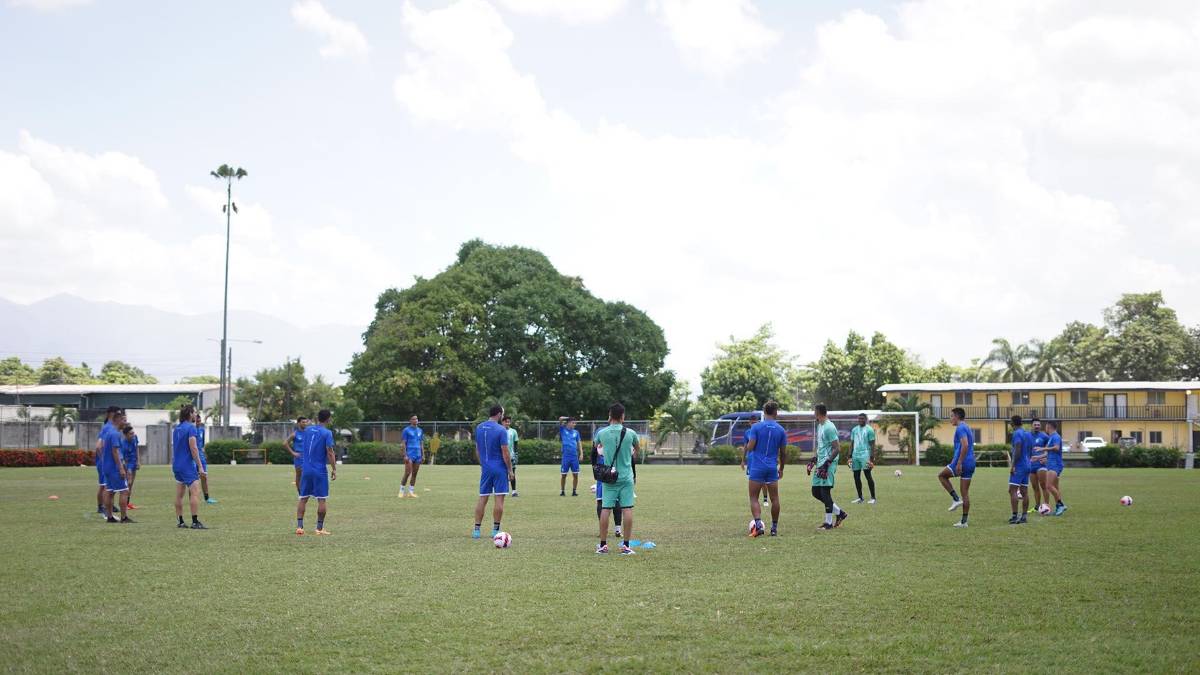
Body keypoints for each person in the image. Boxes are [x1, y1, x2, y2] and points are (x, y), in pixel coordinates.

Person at [595, 403, 640, 555]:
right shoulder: (631, 433)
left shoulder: (602, 433)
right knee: (627, 508)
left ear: (610, 415)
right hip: (626, 476)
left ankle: (603, 545)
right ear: (623, 416)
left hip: (609, 476)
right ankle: (626, 546)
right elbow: (636, 450)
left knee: (606, 508)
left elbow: (597, 448)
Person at [743, 401, 786, 537]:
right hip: (772, 467)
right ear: (776, 412)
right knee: (775, 498)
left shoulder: (756, 427)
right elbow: (783, 452)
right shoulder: (781, 430)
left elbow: (750, 446)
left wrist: (747, 448)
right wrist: (782, 468)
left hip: (757, 467)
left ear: (764, 412)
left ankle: (758, 524)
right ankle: (774, 528)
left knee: (754, 498)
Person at [472, 405, 514, 539]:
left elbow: (477, 450)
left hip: (486, 468)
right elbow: (505, 452)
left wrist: (483, 464)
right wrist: (510, 470)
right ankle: (495, 530)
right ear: (499, 414)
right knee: (499, 499)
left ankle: (476, 530)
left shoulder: (479, 428)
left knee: (482, 498)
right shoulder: (501, 430)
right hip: (499, 468)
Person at [296, 409, 336, 535]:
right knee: (322, 499)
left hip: (306, 469)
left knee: (303, 498)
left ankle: (300, 527)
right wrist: (334, 469)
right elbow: (330, 452)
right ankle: (319, 528)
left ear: (317, 418)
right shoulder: (327, 433)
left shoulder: (307, 430)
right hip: (319, 470)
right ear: (328, 419)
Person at [809, 404, 848, 531]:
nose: (813, 414)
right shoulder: (820, 425)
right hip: (820, 463)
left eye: (814, 412)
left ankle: (828, 523)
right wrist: (814, 459)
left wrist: (827, 463)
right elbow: (821, 446)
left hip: (828, 464)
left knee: (825, 492)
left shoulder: (829, 427)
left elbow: (837, 448)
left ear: (818, 413)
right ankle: (840, 513)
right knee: (816, 491)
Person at [938, 407, 975, 528]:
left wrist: (959, 462)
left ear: (957, 416)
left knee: (942, 476)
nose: (950, 419)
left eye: (951, 416)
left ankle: (955, 498)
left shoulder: (960, 428)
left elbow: (965, 445)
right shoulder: (967, 427)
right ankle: (964, 522)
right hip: (971, 463)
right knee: (965, 493)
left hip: (962, 462)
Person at [172, 405, 207, 529]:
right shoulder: (191, 428)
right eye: (195, 413)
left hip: (176, 465)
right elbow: (193, 448)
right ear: (190, 414)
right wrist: (200, 466)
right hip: (187, 465)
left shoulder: (177, 428)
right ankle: (195, 521)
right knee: (195, 492)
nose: (196, 415)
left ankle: (181, 522)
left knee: (179, 494)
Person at [99, 410, 132, 523]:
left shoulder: (109, 433)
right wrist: (121, 468)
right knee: (124, 491)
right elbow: (115, 452)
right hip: (114, 468)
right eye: (124, 420)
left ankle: (109, 517)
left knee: (110, 491)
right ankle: (123, 517)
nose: (125, 422)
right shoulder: (115, 434)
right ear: (117, 420)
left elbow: (102, 448)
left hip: (107, 467)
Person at [590, 439, 623, 538]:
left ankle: (603, 530)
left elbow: (593, 459)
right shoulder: (614, 445)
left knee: (601, 502)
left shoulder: (598, 449)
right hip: (613, 476)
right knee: (616, 502)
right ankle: (617, 530)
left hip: (602, 476)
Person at [93, 406, 121, 517]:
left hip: (107, 462)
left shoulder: (111, 427)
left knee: (108, 485)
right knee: (105, 486)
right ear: (111, 414)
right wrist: (104, 460)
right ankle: (103, 507)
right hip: (105, 462)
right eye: (117, 414)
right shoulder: (107, 427)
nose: (120, 416)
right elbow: (99, 446)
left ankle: (108, 505)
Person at [1008, 415, 1034, 525]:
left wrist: (1013, 465)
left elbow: (1017, 449)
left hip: (1019, 465)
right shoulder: (1027, 434)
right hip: (1028, 464)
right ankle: (1024, 516)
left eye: (1010, 422)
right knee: (1024, 492)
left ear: (1013, 423)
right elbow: (1030, 449)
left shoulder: (1017, 433)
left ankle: (1014, 516)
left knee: (1012, 490)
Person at [738, 415, 768, 506]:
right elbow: (745, 447)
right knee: (752, 480)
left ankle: (765, 499)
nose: (754, 424)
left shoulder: (762, 432)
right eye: (752, 422)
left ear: (758, 422)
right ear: (749, 423)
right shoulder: (747, 432)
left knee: (762, 480)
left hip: (760, 459)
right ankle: (754, 499)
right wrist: (742, 460)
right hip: (751, 460)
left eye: (755, 422)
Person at [849, 413, 877, 504]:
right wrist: (850, 456)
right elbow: (852, 443)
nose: (860, 420)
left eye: (862, 419)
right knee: (856, 476)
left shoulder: (870, 430)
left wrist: (871, 459)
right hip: (855, 455)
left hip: (865, 455)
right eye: (859, 419)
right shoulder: (854, 430)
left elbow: (872, 445)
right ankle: (860, 497)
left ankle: (873, 498)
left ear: (866, 419)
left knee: (868, 475)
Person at [1043, 421, 1067, 516]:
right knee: (1055, 487)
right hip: (1051, 463)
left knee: (1049, 486)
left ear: (1049, 426)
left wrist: (1043, 449)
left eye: (1046, 426)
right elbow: (1050, 453)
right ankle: (1060, 507)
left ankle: (1060, 505)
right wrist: (1038, 457)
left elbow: (1056, 448)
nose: (1045, 428)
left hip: (1055, 464)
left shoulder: (1056, 436)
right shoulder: (1051, 437)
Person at [399, 415, 425, 498]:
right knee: (407, 473)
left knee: (414, 474)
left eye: (416, 418)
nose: (416, 420)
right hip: (410, 454)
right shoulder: (406, 430)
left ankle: (411, 492)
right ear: (410, 421)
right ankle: (401, 491)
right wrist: (405, 455)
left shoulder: (420, 430)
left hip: (418, 455)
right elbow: (403, 443)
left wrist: (423, 455)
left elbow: (421, 444)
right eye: (413, 419)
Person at [284, 416, 309, 495]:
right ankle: (300, 493)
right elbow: (285, 443)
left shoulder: (308, 433)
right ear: (298, 423)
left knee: (309, 473)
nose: (305, 424)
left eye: (306, 422)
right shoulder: (295, 434)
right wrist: (293, 453)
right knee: (299, 474)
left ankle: (308, 491)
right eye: (303, 422)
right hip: (299, 457)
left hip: (308, 456)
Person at [195, 414, 216, 504]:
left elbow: (202, 444)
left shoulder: (202, 430)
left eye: (200, 421)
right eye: (197, 421)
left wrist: (202, 453)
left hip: (201, 456)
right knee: (193, 479)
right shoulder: (190, 430)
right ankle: (193, 497)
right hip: (192, 457)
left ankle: (207, 498)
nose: (199, 423)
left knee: (204, 477)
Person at [558, 417, 582, 496]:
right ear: (568, 423)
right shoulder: (563, 430)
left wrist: (581, 453)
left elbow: (579, 443)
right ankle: (562, 491)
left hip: (574, 456)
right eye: (572, 422)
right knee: (563, 475)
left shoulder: (576, 432)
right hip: (566, 456)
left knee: (575, 474)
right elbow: (560, 419)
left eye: (575, 423)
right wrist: (568, 418)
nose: (574, 424)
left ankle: (574, 491)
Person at [1028, 418, 1048, 513]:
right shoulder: (1027, 436)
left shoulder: (1044, 436)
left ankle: (1046, 506)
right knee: (1035, 487)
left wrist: (1045, 458)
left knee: (1043, 485)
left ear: (1040, 426)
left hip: (1041, 464)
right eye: (1035, 424)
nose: (1037, 426)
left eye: (1038, 425)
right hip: (1031, 465)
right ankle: (1037, 507)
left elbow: (1049, 449)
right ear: (1032, 425)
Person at [120, 424, 140, 510]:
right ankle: (124, 504)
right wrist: (127, 469)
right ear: (126, 435)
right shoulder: (123, 444)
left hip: (134, 463)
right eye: (131, 433)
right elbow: (122, 459)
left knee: (131, 484)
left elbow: (137, 448)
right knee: (128, 483)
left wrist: (138, 461)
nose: (133, 435)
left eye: (133, 433)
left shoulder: (135, 438)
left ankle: (127, 504)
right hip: (127, 464)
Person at [503, 415, 519, 497]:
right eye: (506, 421)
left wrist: (516, 455)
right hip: (501, 456)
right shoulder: (500, 431)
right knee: (502, 474)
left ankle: (514, 491)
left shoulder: (513, 431)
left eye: (509, 421)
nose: (507, 423)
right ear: (503, 422)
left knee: (512, 473)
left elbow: (516, 444)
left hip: (511, 456)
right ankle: (503, 490)